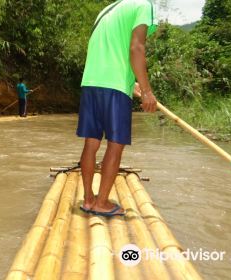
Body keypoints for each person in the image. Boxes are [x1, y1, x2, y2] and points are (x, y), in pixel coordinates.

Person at [77, 0, 158, 217]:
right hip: (113, 87)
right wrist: (148, 92)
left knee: (91, 142)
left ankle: (88, 199)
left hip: (91, 82)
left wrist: (133, 84)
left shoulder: (108, 10)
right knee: (116, 144)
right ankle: (102, 202)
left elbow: (109, 53)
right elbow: (136, 48)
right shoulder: (144, 5)